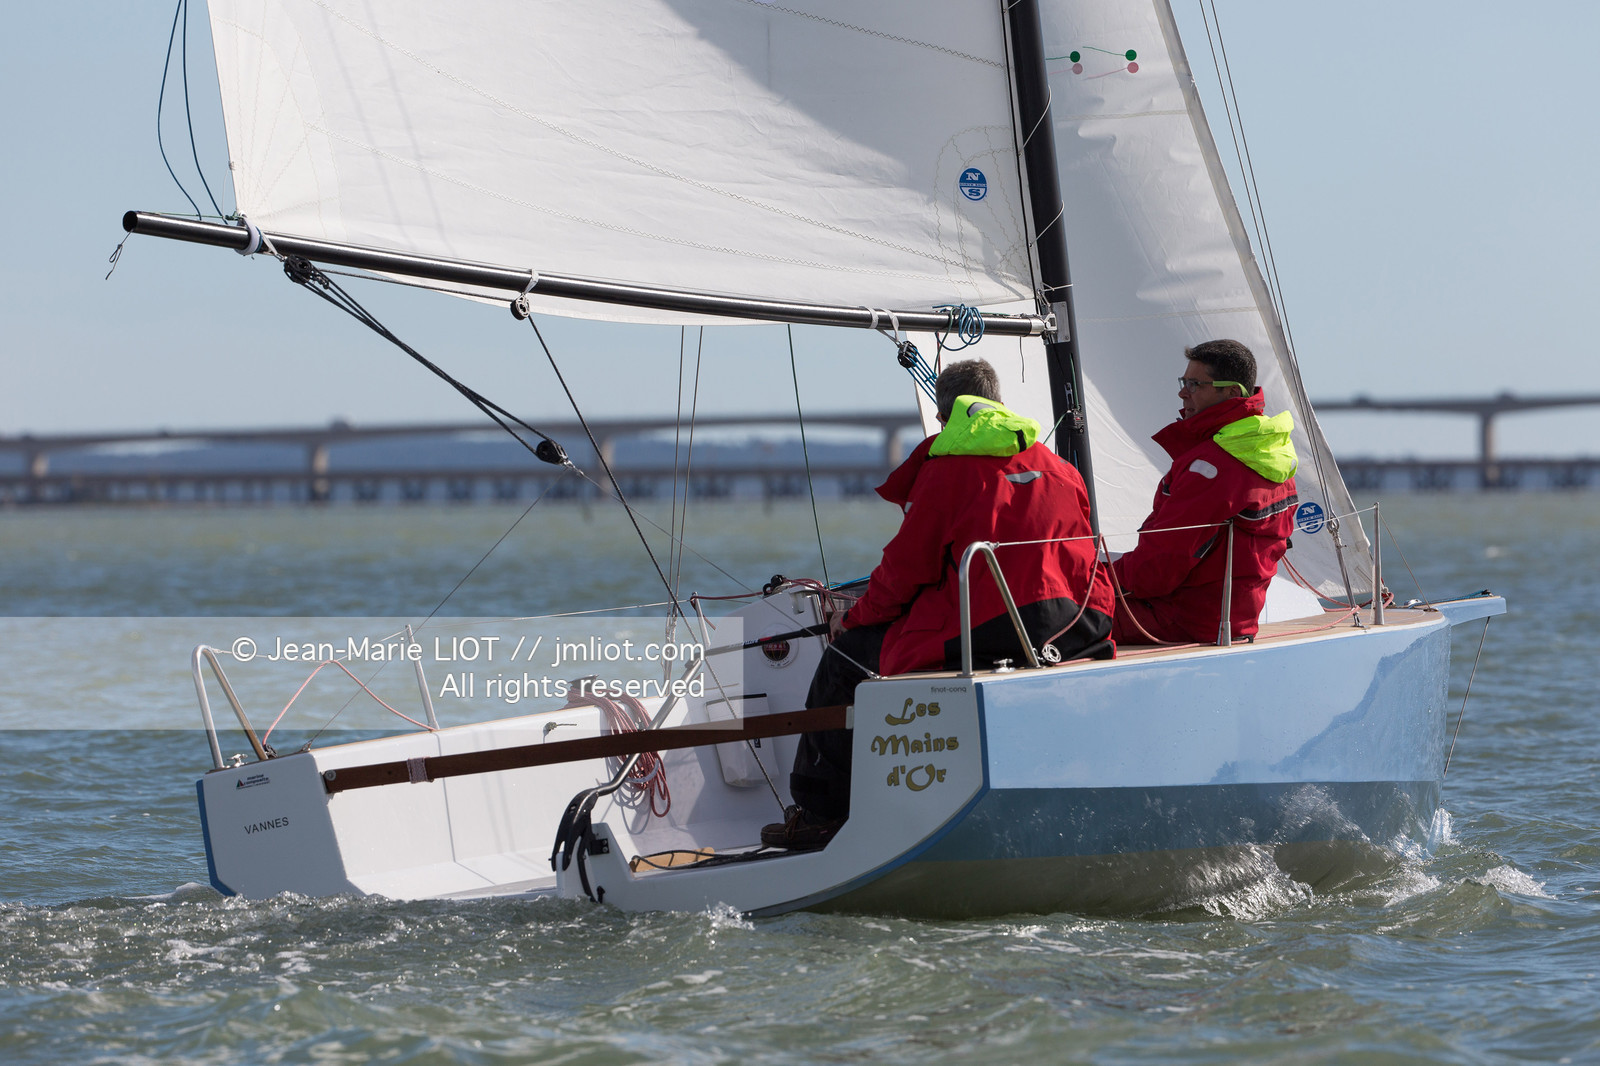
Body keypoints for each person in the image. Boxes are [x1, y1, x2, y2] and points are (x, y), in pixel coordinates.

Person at [762, 358, 1113, 849]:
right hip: (1072, 629)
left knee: (843, 660)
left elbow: (902, 575)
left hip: (991, 633)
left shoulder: (946, 473)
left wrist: (853, 617)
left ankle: (821, 815)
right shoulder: (1059, 467)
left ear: (945, 416)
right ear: (999, 402)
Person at [1110, 339, 1299, 646]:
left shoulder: (1213, 466)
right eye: (1184, 382)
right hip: (1233, 620)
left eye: (1195, 384)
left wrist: (1089, 579)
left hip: (1181, 619)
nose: (1183, 392)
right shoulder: (1268, 448)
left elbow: (1156, 570)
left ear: (1232, 393)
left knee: (1040, 615)